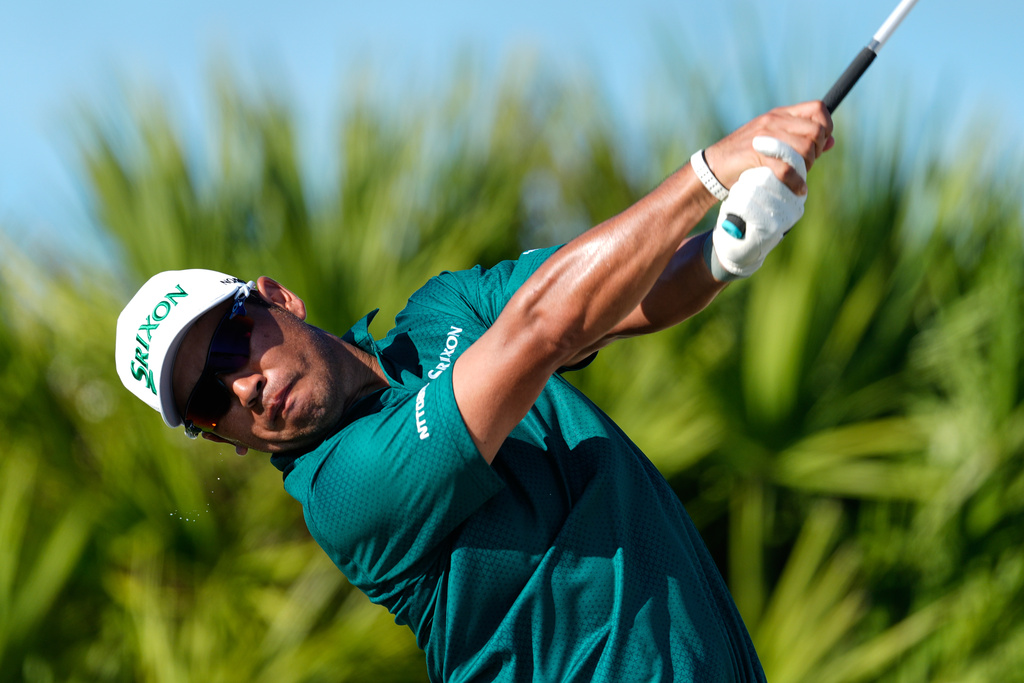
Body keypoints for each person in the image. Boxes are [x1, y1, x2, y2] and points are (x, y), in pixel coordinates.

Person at [115, 101, 834, 682]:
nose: (243, 385)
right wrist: (708, 174)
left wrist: (723, 251)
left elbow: (614, 298)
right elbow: (542, 327)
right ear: (222, 440)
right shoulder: (346, 494)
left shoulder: (440, 313)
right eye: (211, 400)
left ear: (279, 298)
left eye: (235, 339)